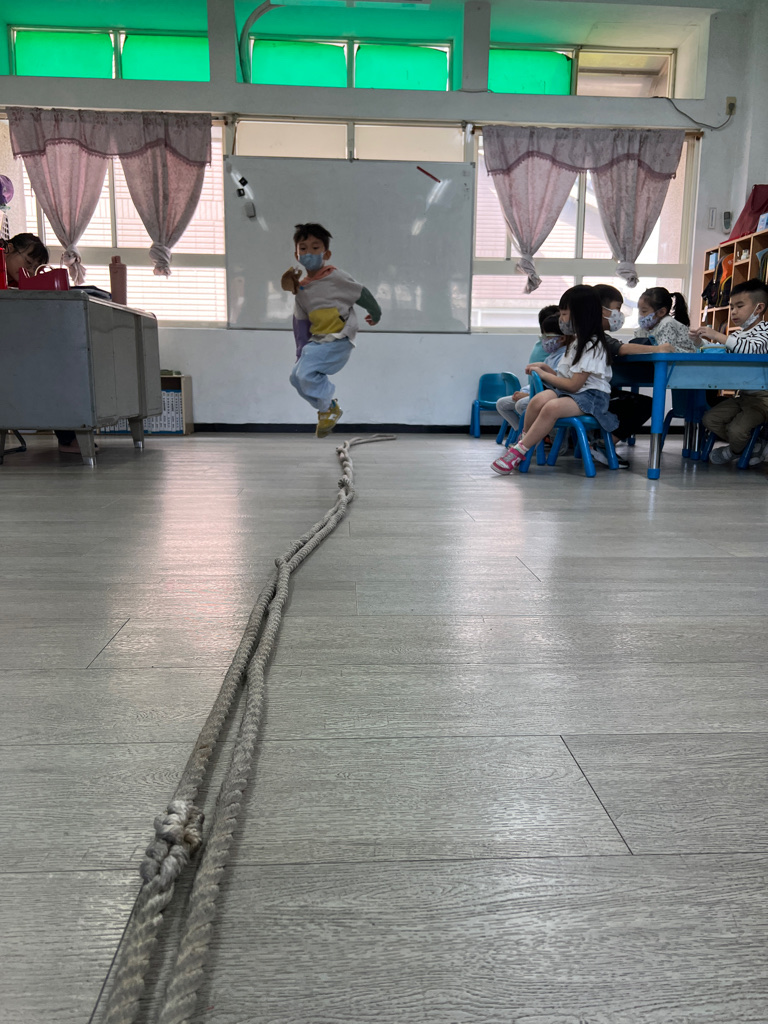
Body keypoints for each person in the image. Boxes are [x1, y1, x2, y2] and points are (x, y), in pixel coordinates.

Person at [491, 285, 618, 474]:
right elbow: (565, 378)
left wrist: (545, 375)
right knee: (538, 400)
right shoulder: (576, 342)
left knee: (551, 407)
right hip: (572, 394)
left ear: (581, 315)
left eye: (564, 314)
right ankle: (523, 443)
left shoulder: (592, 345)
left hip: (591, 398)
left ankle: (519, 451)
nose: (561, 320)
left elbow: (574, 385)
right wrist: (546, 369)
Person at [281, 223, 382, 437]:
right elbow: (300, 324)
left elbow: (361, 293)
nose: (309, 253)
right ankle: (328, 408)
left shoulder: (336, 277)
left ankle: (327, 408)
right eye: (303, 249)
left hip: (339, 338)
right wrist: (300, 353)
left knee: (306, 375)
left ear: (326, 253)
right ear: (297, 255)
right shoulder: (302, 290)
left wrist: (376, 313)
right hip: (318, 341)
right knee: (295, 378)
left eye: (315, 248)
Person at [589, 283, 675, 469]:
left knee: (625, 397)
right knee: (645, 404)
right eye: (617, 309)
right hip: (591, 397)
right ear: (601, 310)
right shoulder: (595, 336)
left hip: (586, 394)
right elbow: (622, 349)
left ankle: (598, 439)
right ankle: (604, 444)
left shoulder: (586, 333)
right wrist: (658, 349)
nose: (619, 315)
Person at [692, 279, 768, 465]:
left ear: (759, 308)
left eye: (739, 306)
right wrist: (699, 343)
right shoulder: (736, 335)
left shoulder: (765, 331)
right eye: (731, 307)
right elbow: (721, 352)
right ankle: (753, 446)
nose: (733, 312)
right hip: (743, 396)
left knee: (737, 430)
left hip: (763, 398)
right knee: (710, 419)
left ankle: (734, 450)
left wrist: (718, 335)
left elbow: (751, 350)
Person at [496, 308, 565, 432]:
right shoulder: (550, 356)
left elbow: (555, 384)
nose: (544, 341)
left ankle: (535, 434)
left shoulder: (564, 356)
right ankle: (523, 433)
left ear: (562, 338)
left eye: (547, 336)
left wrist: (528, 394)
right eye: (543, 336)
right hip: (536, 392)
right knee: (502, 404)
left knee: (522, 405)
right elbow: (537, 382)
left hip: (550, 395)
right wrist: (524, 391)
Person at [635, 286, 696, 352]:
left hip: (685, 358)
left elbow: (665, 351)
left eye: (644, 311)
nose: (640, 315)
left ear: (661, 312)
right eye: (639, 310)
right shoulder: (643, 329)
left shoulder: (667, 323)